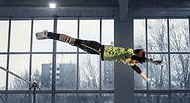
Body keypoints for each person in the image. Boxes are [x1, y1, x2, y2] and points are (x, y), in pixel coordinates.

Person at [36, 30, 165, 82]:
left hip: (95, 51)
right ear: (136, 56)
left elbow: (135, 67)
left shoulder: (129, 60)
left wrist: (144, 76)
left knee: (72, 42)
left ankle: (49, 35)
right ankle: (48, 34)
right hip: (97, 47)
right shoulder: (129, 53)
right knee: (72, 41)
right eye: (136, 60)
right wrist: (153, 61)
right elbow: (139, 60)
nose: (135, 63)